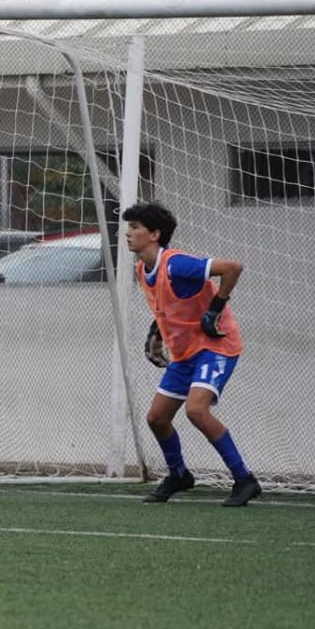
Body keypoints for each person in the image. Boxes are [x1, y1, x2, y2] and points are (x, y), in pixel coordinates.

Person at [123, 201, 261, 506]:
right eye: (128, 228)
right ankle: (179, 475)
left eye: (135, 228)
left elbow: (232, 268)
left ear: (155, 234)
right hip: (186, 353)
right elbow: (170, 303)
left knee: (197, 410)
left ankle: (244, 479)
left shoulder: (176, 263)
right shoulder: (142, 268)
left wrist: (215, 310)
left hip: (216, 346)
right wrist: (156, 333)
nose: (128, 234)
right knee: (157, 418)